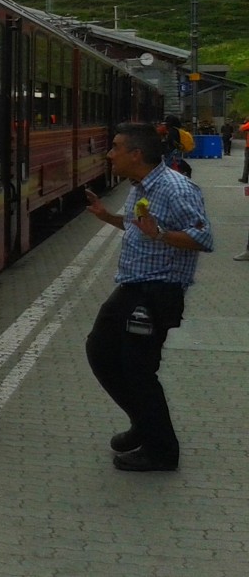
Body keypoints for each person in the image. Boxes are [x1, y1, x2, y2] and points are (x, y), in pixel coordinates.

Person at [84, 122, 213, 471]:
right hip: (133, 287)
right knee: (100, 350)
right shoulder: (141, 185)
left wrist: (159, 234)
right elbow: (138, 227)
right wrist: (108, 217)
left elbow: (203, 239)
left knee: (138, 369)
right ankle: (144, 424)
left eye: (115, 147)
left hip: (158, 292)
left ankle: (161, 450)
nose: (109, 154)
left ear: (135, 154)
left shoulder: (175, 188)